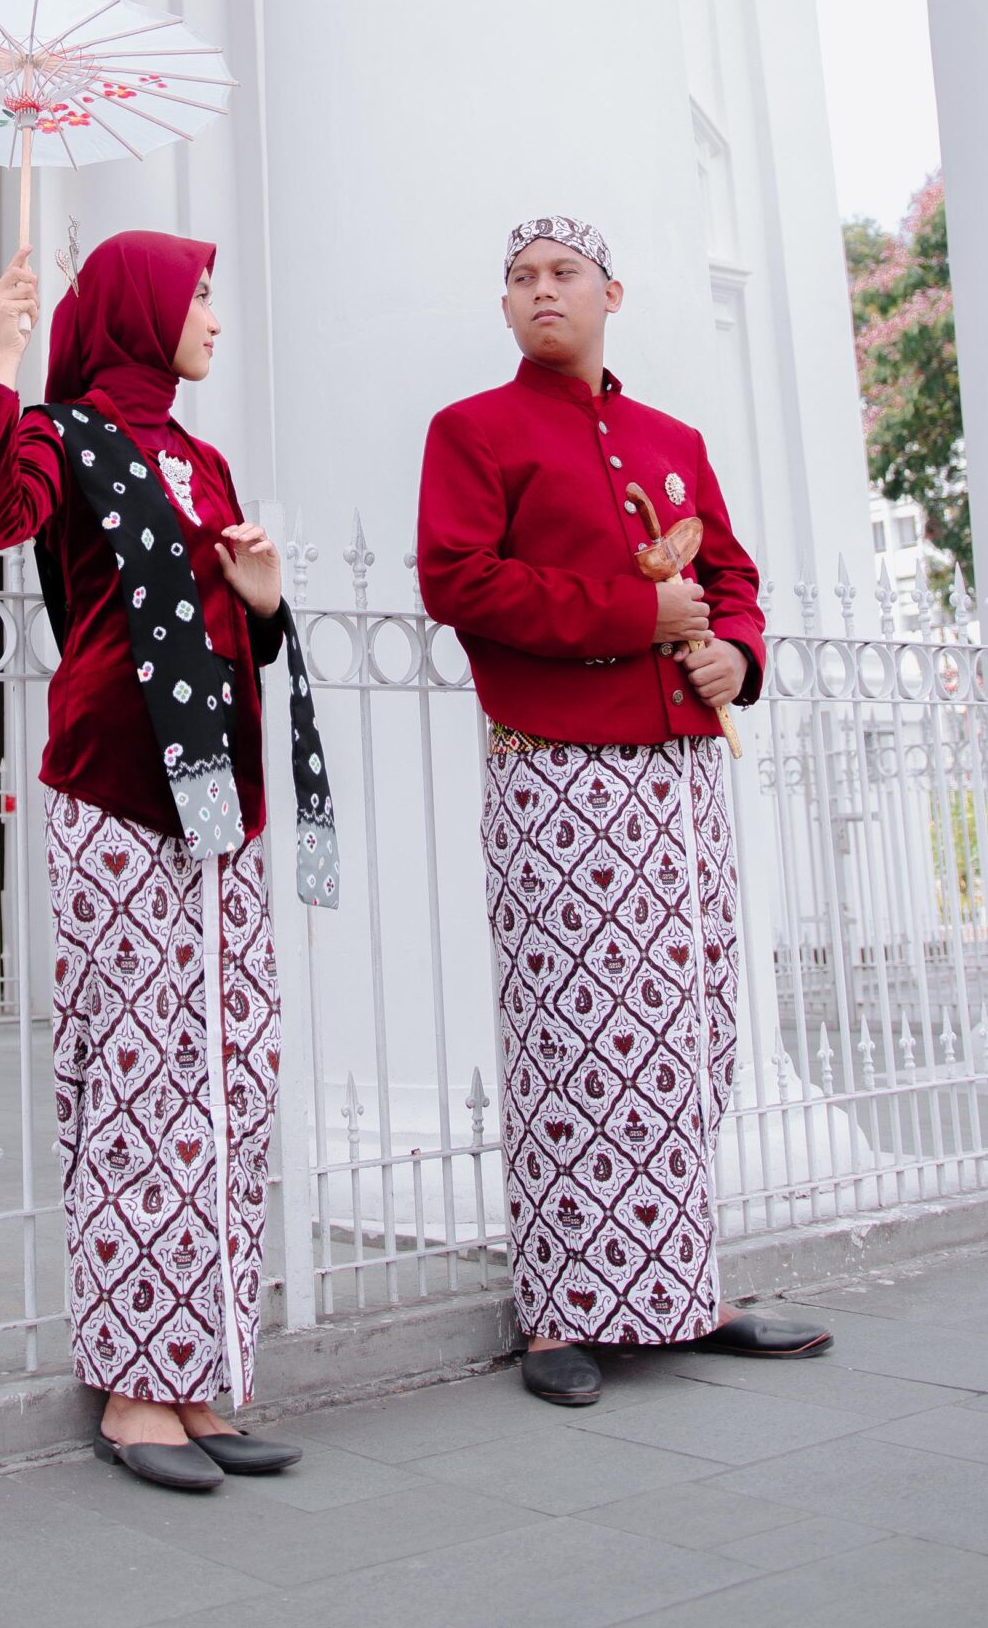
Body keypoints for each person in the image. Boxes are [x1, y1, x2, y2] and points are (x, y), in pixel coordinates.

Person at [417, 216, 831, 1407]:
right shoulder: (472, 431)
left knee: (685, 1026)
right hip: (557, 766)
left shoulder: (671, 439)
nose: (539, 291)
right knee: (572, 1030)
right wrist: (628, 616)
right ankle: (558, 1312)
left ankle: (684, 1289)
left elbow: (732, 579)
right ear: (504, 305)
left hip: (681, 772)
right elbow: (456, 577)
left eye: (562, 274)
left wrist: (735, 655)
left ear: (611, 294)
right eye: (519, 278)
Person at [0, 230, 335, 1490]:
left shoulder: (203, 459)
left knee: (227, 1074)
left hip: (219, 798)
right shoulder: (64, 436)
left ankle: (199, 1371)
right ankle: (132, 1390)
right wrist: (5, 354)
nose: (214, 317)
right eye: (198, 295)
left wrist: (263, 598)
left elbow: (232, 631)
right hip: (113, 786)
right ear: (140, 305)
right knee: (136, 1076)